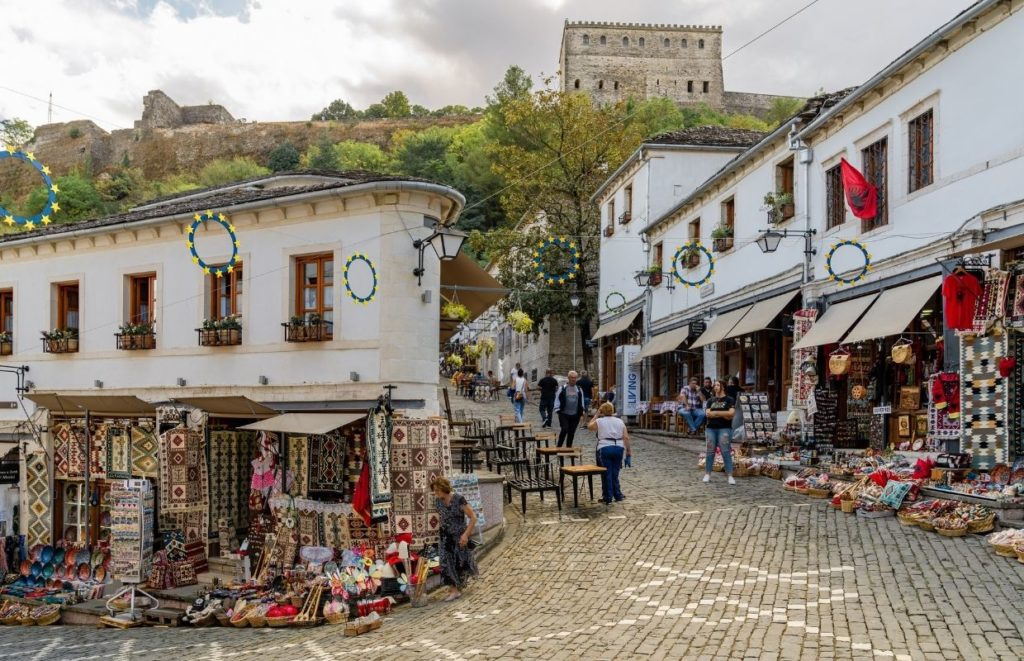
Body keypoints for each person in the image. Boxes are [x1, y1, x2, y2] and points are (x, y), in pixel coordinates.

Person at [431, 476, 478, 601]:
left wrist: (466, 535)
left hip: (459, 536)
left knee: (460, 562)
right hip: (445, 537)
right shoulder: (438, 502)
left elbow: (473, 517)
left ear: (444, 488)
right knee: (446, 563)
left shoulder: (459, 499)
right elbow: (442, 518)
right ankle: (453, 590)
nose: (436, 493)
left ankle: (457, 587)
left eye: (437, 490)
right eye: (435, 491)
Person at [587, 402, 632, 504]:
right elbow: (626, 437)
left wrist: (596, 415)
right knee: (615, 473)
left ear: (602, 411)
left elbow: (589, 426)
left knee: (606, 473)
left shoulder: (599, 421)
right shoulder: (620, 421)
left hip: (605, 448)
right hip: (618, 448)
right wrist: (628, 452)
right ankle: (618, 495)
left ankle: (607, 497)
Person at [703, 379, 736, 485]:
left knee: (725, 451)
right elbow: (708, 414)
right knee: (710, 451)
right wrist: (724, 414)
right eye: (715, 385)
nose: (715, 387)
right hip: (711, 428)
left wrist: (716, 413)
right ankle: (707, 474)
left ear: (723, 386)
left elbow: (731, 414)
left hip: (725, 428)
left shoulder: (729, 400)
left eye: (718, 385)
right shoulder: (710, 400)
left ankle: (730, 475)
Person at [554, 370, 584, 447]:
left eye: (575, 378)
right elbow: (557, 398)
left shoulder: (579, 389)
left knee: (571, 432)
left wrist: (582, 410)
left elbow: (581, 400)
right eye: (571, 377)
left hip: (575, 414)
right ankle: (559, 446)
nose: (573, 379)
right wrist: (557, 409)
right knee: (564, 429)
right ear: (568, 378)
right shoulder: (562, 388)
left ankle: (568, 448)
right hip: (564, 413)